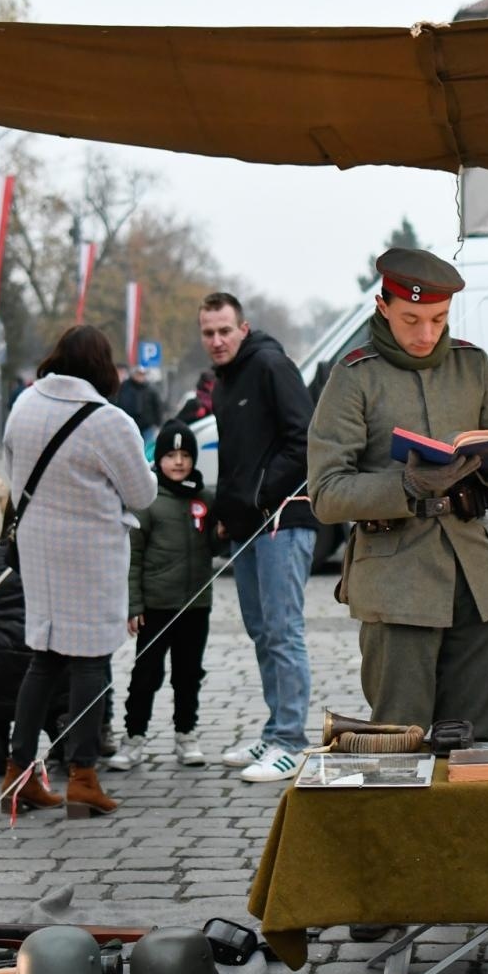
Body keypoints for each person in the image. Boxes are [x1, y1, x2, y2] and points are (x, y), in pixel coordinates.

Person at [308, 248, 488, 739]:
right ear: (383, 306)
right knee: (401, 741)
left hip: (478, 581)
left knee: (469, 743)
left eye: (438, 318)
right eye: (411, 319)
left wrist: (486, 463)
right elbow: (326, 493)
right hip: (397, 584)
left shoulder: (473, 366)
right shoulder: (354, 376)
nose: (427, 334)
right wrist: (407, 485)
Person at [1, 324, 156, 818]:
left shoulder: (24, 404)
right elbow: (143, 493)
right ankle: (83, 777)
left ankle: (18, 771)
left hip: (38, 547)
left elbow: (11, 470)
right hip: (91, 551)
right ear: (103, 367)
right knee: (90, 659)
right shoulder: (109, 420)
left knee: (44, 657)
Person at [199, 291, 318, 782]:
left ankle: (292, 741)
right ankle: (275, 731)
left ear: (243, 328)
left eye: (225, 330)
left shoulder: (271, 365)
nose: (217, 340)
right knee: (261, 631)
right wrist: (227, 510)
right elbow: (236, 457)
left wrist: (261, 493)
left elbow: (305, 439)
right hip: (246, 525)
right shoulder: (223, 381)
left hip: (283, 521)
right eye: (208, 333)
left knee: (283, 631)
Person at [111, 419, 220, 771]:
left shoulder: (204, 498)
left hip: (195, 605)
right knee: (146, 674)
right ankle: (133, 736)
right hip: (156, 606)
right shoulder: (149, 501)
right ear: (158, 459)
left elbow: (214, 547)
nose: (178, 462)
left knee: (188, 674)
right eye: (171, 455)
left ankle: (186, 733)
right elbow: (133, 558)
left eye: (185, 455)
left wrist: (222, 532)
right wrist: (134, 605)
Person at [0, 534, 69, 776]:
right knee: (51, 684)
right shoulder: (55, 562)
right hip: (48, 677)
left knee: (6, 676)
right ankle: (62, 735)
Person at [116, 364, 164, 442]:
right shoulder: (124, 388)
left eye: (142, 374)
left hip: (147, 427)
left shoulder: (151, 389)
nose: (140, 377)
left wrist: (158, 424)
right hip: (129, 426)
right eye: (138, 374)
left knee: (147, 447)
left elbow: (158, 407)